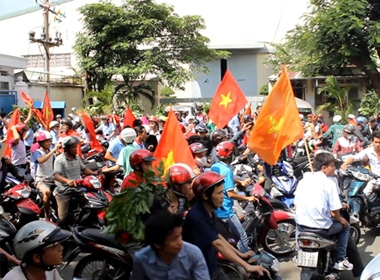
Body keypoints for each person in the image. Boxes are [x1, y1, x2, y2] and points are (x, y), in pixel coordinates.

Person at [183, 171, 269, 280]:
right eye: (218, 193)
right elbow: (218, 244)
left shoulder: (208, 211)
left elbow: (217, 235)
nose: (222, 197)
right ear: (205, 195)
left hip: (212, 266)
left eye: (222, 192)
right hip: (200, 273)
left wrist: (240, 254)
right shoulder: (197, 217)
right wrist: (247, 266)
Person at [294, 152, 353, 270]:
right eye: (333, 165)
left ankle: (298, 252)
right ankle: (340, 259)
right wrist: (341, 219)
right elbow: (334, 212)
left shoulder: (302, 181)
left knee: (298, 223)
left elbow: (296, 205)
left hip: (303, 227)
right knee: (346, 227)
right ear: (324, 168)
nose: (334, 168)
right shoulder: (329, 183)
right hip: (321, 228)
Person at [131, 210, 209, 280]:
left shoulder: (193, 253)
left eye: (180, 235)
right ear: (158, 244)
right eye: (175, 239)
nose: (180, 242)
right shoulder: (142, 258)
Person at [211, 141, 256, 253]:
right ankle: (246, 259)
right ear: (230, 155)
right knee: (242, 236)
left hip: (216, 209)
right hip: (226, 211)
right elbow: (230, 193)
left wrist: (240, 182)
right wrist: (248, 199)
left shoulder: (216, 166)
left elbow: (226, 178)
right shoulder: (226, 169)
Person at [53, 136, 98, 228]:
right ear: (66, 149)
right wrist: (67, 180)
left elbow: (84, 169)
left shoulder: (77, 158)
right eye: (73, 147)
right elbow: (56, 175)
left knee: (90, 206)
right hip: (64, 191)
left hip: (78, 189)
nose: (76, 149)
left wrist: (96, 173)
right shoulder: (59, 160)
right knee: (62, 218)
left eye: (76, 147)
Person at [3, 220, 71, 280]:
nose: (61, 248)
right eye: (54, 246)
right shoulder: (14, 278)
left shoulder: (49, 271)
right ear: (37, 258)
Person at [341, 131, 380, 201]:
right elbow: (354, 157)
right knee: (365, 194)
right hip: (374, 179)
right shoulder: (369, 151)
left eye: (379, 142)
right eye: (376, 142)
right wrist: (345, 164)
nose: (377, 145)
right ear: (372, 141)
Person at [31, 131, 61, 221]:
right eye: (47, 141)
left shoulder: (49, 152)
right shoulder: (37, 152)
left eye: (50, 141)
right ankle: (47, 216)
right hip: (41, 179)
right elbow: (41, 160)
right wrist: (53, 151)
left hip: (52, 178)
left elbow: (54, 164)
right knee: (47, 192)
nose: (49, 143)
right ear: (41, 142)